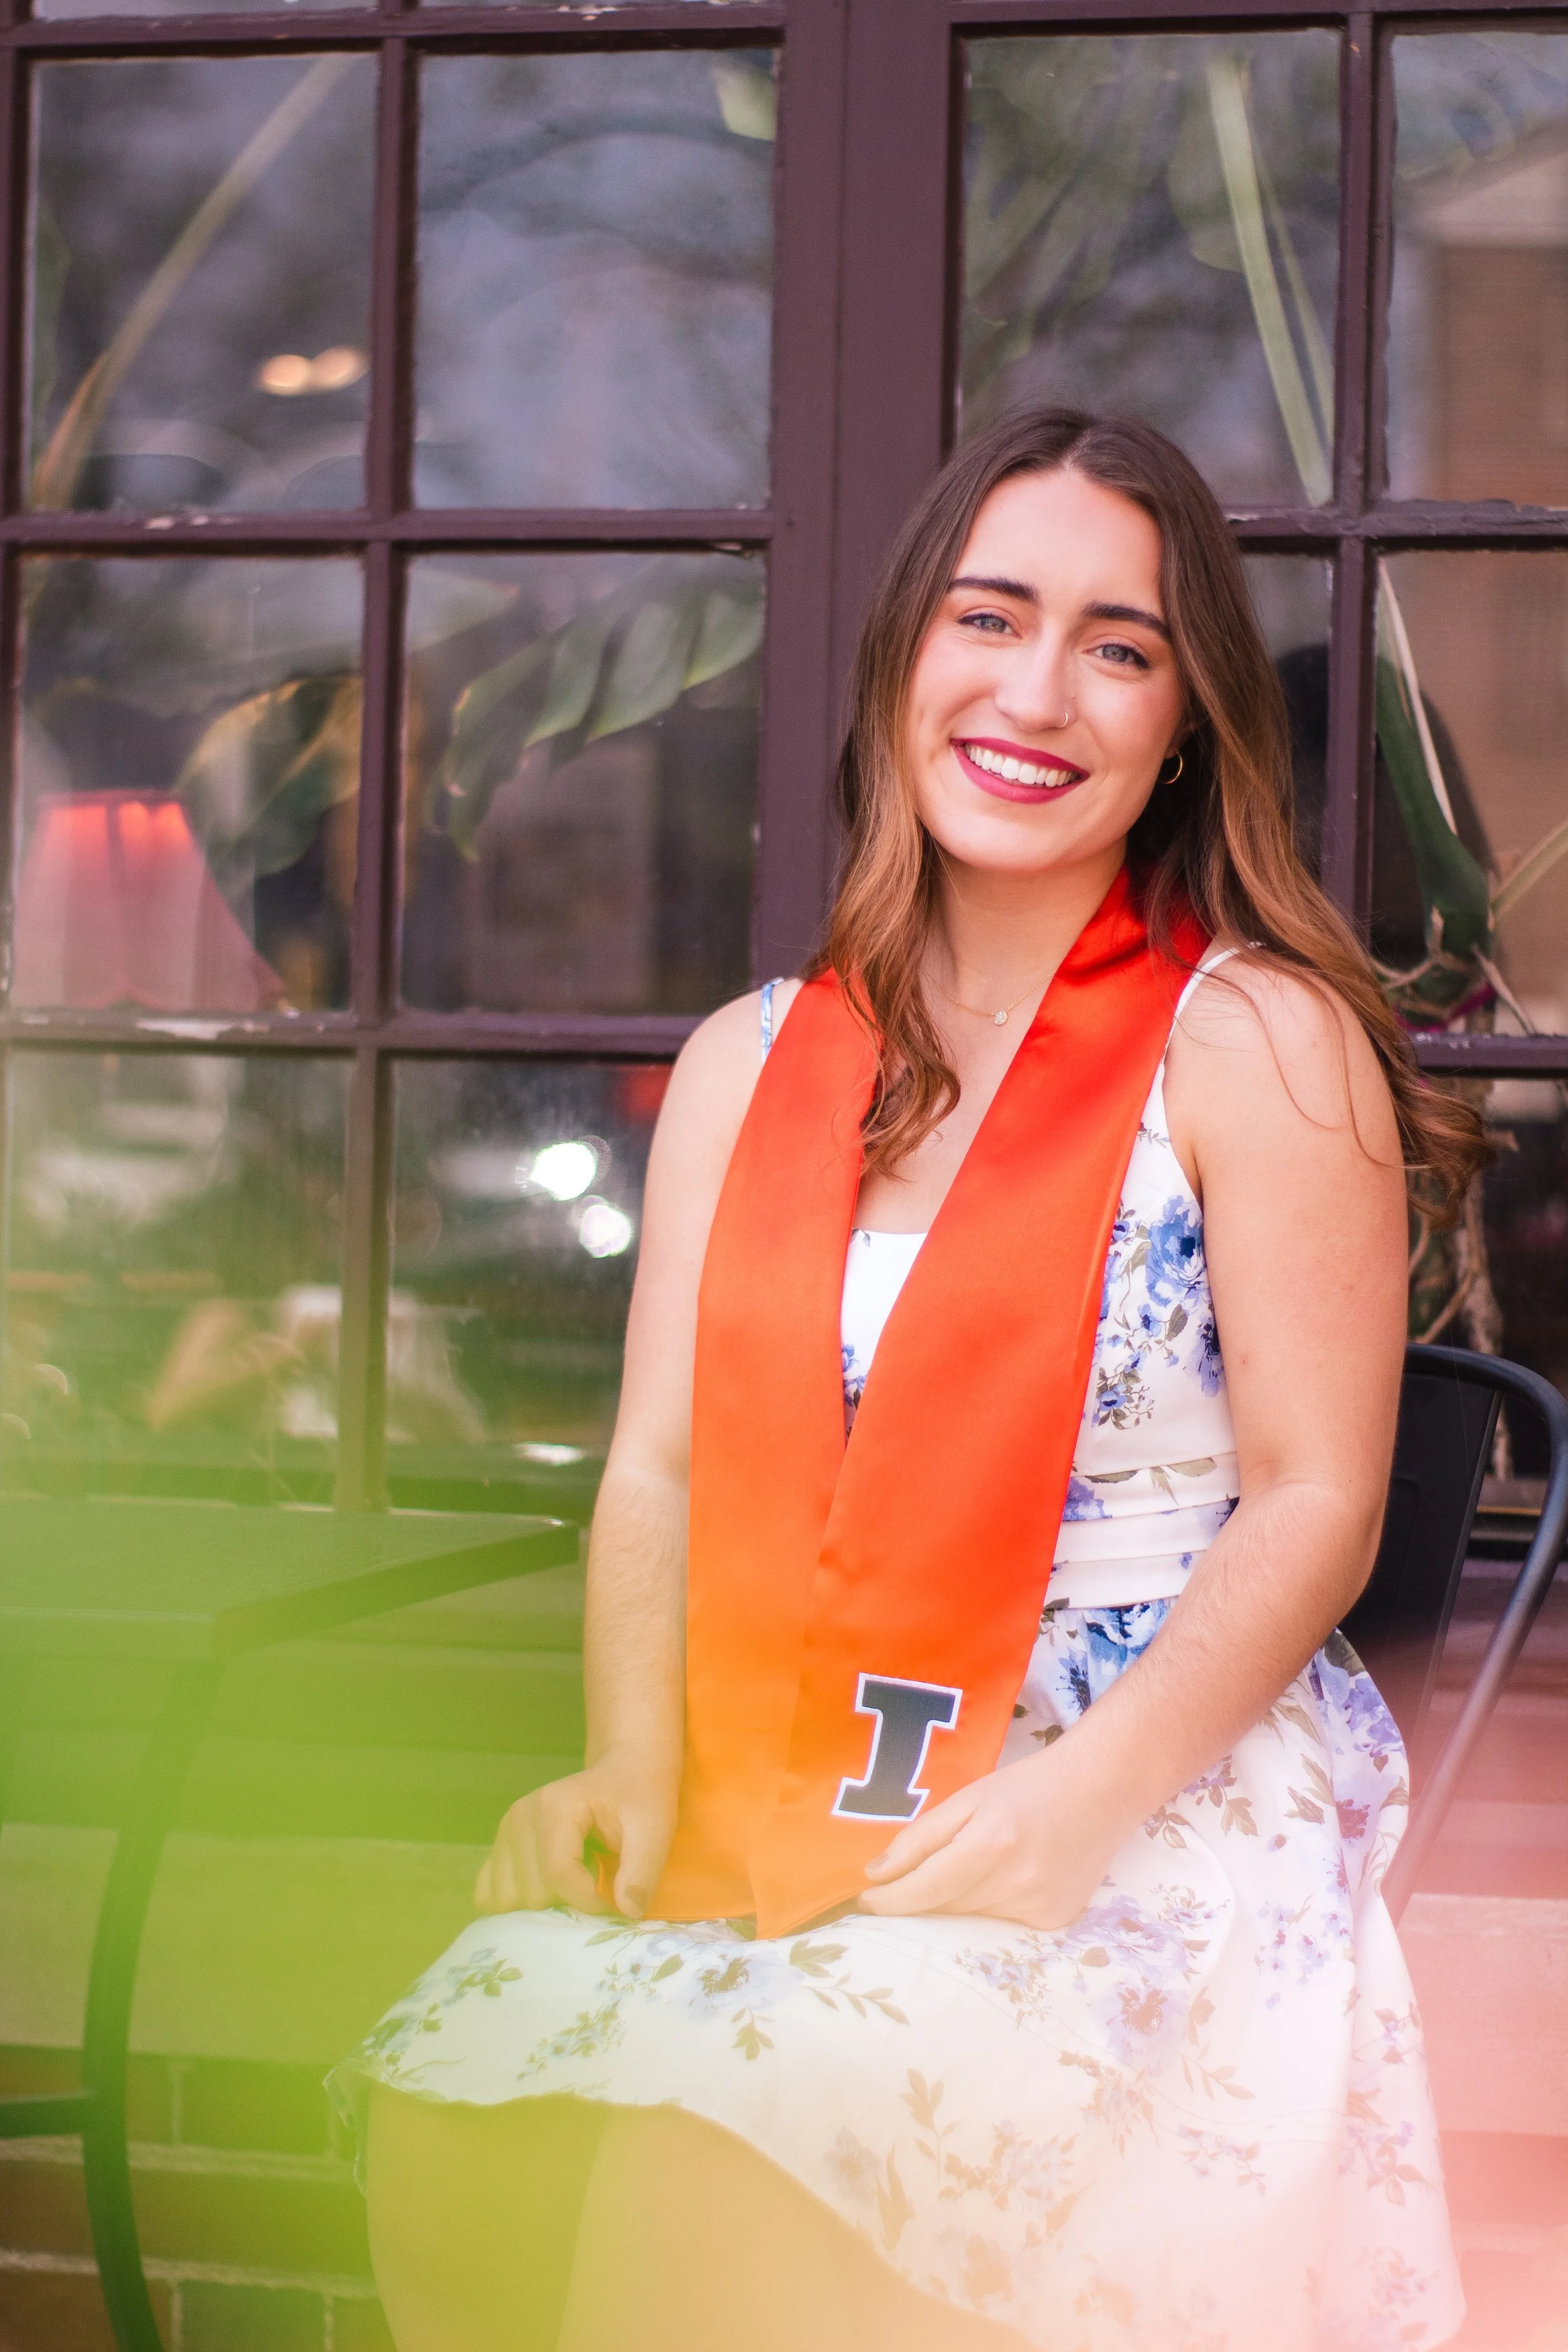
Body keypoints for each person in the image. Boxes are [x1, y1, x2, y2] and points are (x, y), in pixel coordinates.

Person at [329, 408, 1486, 2352]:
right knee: (454, 2088)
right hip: (784, 1757)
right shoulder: (750, 1062)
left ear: (1185, 717)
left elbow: (1316, 1499)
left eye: (1118, 645)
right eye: (990, 616)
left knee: (729, 2149)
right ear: (900, 662)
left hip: (1134, 1789)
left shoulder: (1257, 1046)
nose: (1037, 691)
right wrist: (631, 1754)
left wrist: (1075, 1803)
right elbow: (662, 1476)